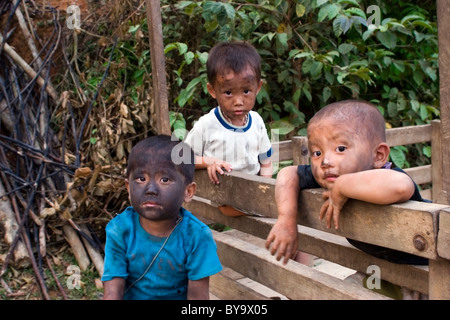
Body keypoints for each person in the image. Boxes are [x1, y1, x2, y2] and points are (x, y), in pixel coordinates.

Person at [265, 100, 429, 268]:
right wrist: (286, 219)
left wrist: (343, 186)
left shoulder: (386, 176)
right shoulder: (331, 175)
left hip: (428, 267)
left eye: (341, 149)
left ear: (379, 156)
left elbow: (401, 186)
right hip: (382, 268)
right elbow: (288, 173)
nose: (326, 161)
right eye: (317, 153)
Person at [102, 135, 222, 300]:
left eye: (165, 179)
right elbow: (112, 293)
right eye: (141, 179)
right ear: (128, 188)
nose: (151, 189)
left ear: (188, 192)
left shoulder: (196, 236)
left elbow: (197, 298)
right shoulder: (120, 230)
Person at [184, 41, 273, 185]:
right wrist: (210, 162)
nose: (238, 101)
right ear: (212, 90)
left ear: (258, 87)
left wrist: (264, 188)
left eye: (246, 91)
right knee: (226, 207)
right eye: (228, 92)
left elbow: (266, 162)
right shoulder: (207, 125)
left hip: (252, 196)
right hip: (219, 196)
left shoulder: (257, 122)